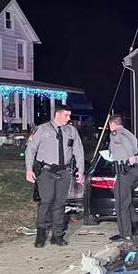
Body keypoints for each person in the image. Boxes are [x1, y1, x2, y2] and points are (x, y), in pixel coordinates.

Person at [25, 104, 85, 248]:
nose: (69, 118)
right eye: (66, 115)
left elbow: (78, 150)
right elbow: (30, 149)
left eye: (69, 115)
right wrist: (29, 169)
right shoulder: (42, 129)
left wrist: (81, 170)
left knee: (60, 203)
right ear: (57, 114)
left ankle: (57, 236)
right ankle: (41, 235)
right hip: (46, 171)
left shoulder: (71, 131)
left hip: (64, 172)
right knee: (46, 202)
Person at [107, 115, 138, 241]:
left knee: (121, 204)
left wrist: (130, 155)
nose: (109, 128)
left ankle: (125, 234)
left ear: (113, 124)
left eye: (109, 125)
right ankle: (133, 219)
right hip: (134, 172)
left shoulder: (116, 134)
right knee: (125, 199)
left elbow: (124, 143)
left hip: (124, 172)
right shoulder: (129, 134)